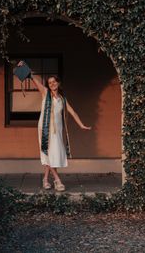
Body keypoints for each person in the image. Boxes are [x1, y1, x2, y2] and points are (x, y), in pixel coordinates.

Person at [17, 61, 91, 191]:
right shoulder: (45, 93)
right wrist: (25, 67)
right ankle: (57, 180)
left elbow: (72, 112)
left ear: (58, 83)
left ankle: (45, 179)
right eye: (50, 82)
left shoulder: (63, 99)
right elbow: (34, 80)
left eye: (54, 82)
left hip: (57, 131)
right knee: (49, 153)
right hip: (45, 129)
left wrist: (81, 125)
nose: (52, 84)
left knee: (53, 154)